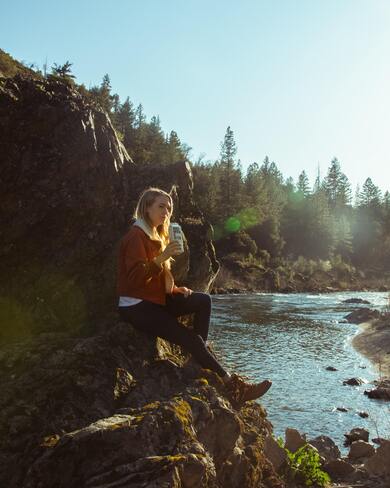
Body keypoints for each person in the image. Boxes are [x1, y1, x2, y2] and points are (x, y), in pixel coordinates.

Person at [117, 187, 272, 406]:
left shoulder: (155, 234)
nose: (166, 212)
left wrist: (174, 289)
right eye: (161, 206)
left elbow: (159, 275)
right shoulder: (136, 236)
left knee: (203, 300)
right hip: (136, 306)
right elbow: (135, 278)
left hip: (154, 299)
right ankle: (235, 387)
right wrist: (163, 256)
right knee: (191, 339)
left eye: (169, 208)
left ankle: (196, 362)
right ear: (146, 207)